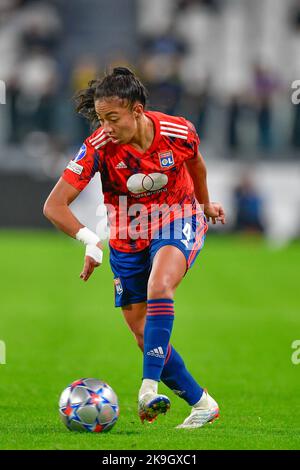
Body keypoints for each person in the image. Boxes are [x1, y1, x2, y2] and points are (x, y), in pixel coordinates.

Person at [43, 67, 226, 429]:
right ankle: (202, 403)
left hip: (178, 218)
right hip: (127, 235)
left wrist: (204, 204)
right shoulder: (98, 147)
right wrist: (91, 240)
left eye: (113, 118)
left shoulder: (177, 131)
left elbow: (196, 164)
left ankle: (147, 388)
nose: (106, 126)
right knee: (142, 333)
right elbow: (54, 205)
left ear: (138, 111)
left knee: (161, 285)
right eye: (100, 119)